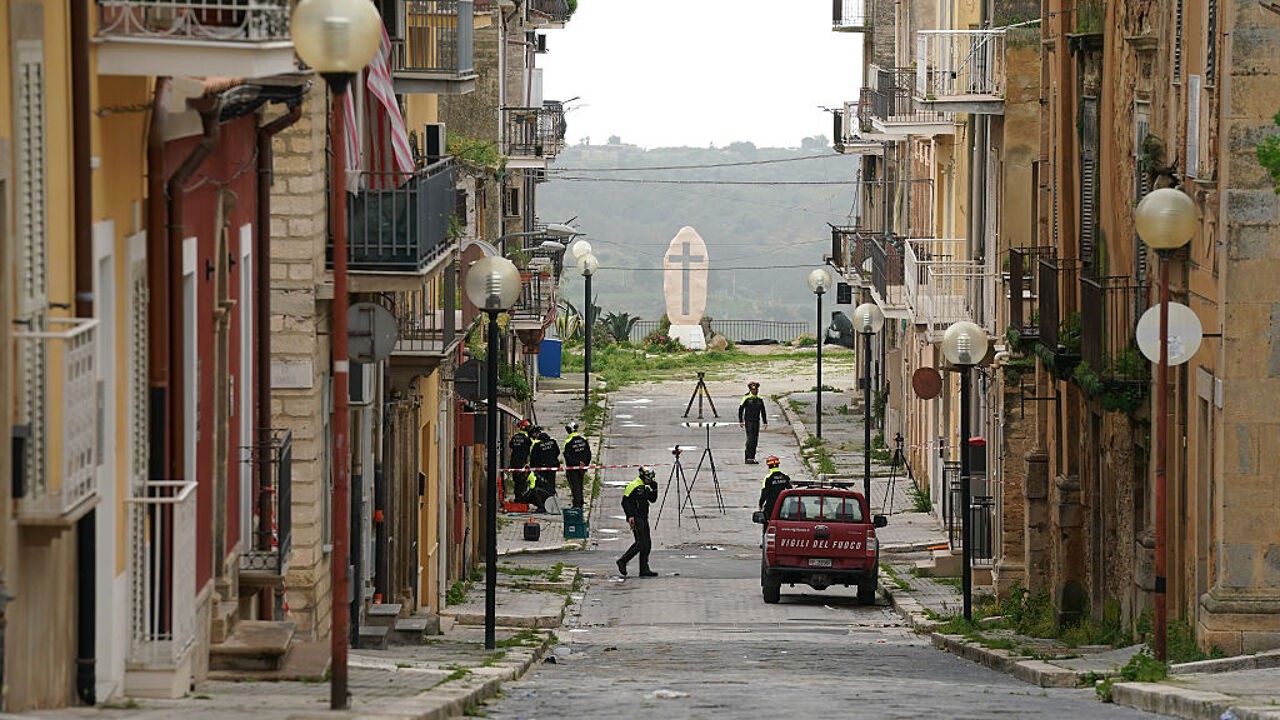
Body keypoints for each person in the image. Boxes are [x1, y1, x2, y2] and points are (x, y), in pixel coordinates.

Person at [617, 466, 659, 577]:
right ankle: (623, 561)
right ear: (643, 476)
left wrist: (654, 489)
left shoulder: (647, 485)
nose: (650, 480)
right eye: (649, 479)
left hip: (644, 516)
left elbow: (652, 500)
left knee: (647, 544)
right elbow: (625, 502)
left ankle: (644, 569)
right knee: (640, 542)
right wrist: (630, 515)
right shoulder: (633, 485)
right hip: (635, 517)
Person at [528, 428, 561, 512]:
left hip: (541, 469)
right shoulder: (553, 442)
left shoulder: (537, 445)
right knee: (551, 485)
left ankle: (542, 505)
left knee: (541, 486)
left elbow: (533, 458)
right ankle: (553, 505)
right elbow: (557, 452)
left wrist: (533, 468)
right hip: (552, 467)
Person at [562, 421, 592, 510]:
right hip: (582, 468)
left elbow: (567, 456)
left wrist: (576, 463)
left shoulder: (567, 442)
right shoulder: (583, 439)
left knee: (575, 486)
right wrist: (585, 464)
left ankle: (577, 504)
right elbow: (588, 453)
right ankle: (581, 501)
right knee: (580, 484)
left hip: (572, 468)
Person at [738, 381, 768, 464]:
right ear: (750, 390)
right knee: (750, 439)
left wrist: (765, 421)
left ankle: (752, 457)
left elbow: (763, 411)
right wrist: (741, 421)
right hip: (749, 421)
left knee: (755, 440)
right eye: (753, 390)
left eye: (756, 390)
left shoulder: (759, 399)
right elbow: (741, 410)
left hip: (756, 421)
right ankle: (748, 457)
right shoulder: (746, 398)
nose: (755, 391)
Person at [758, 455, 792, 523]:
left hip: (771, 505)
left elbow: (764, 493)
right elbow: (790, 489)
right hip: (782, 505)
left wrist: (760, 504)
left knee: (768, 523)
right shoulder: (785, 476)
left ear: (768, 466)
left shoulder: (768, 478)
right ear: (778, 465)